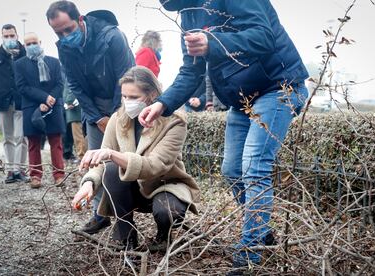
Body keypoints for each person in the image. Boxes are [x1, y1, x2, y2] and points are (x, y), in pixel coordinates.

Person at [139, 1, 309, 272]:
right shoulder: (188, 12)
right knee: (232, 171)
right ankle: (262, 233)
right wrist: (161, 104)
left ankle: (249, 256)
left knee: (254, 168)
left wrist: (213, 42)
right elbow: (191, 70)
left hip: (278, 86)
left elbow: (263, 35)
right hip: (242, 100)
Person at [72, 66, 200, 251]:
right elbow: (103, 159)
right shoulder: (118, 119)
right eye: (124, 96)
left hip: (165, 185)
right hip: (131, 186)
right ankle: (127, 237)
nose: (127, 102)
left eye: (134, 97)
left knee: (167, 212)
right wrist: (89, 183)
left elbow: (155, 165)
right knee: (111, 169)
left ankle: (163, 236)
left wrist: (113, 154)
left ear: (153, 94)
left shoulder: (174, 121)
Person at [47, 1, 135, 234]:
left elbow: (126, 77)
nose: (65, 36)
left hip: (123, 101)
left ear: (81, 19)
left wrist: (116, 116)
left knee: (122, 160)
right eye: (58, 33)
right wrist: (97, 118)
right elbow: (75, 84)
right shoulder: (64, 47)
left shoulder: (112, 36)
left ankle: (126, 218)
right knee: (95, 161)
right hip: (94, 108)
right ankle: (100, 214)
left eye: (69, 29)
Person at [14, 32, 66, 189]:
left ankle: (59, 175)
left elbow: (59, 84)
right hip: (31, 106)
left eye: (34, 42)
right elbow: (22, 87)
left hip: (53, 105)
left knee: (56, 141)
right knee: (33, 143)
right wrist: (44, 98)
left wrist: (50, 100)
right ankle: (35, 175)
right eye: (28, 44)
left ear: (40, 42)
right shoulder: (19, 64)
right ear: (24, 46)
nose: (31, 46)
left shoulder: (54, 62)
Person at [0, 24, 29, 184]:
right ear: (2, 37)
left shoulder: (25, 55)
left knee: (21, 137)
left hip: (21, 101)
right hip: (2, 102)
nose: (9, 39)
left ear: (17, 36)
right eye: (6, 36)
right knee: (8, 138)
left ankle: (19, 169)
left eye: (11, 35)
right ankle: (10, 171)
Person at [62, 72, 87, 161]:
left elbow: (70, 90)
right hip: (73, 108)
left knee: (78, 135)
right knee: (79, 135)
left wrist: (69, 101)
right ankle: (82, 156)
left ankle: (82, 156)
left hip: (76, 108)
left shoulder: (72, 73)